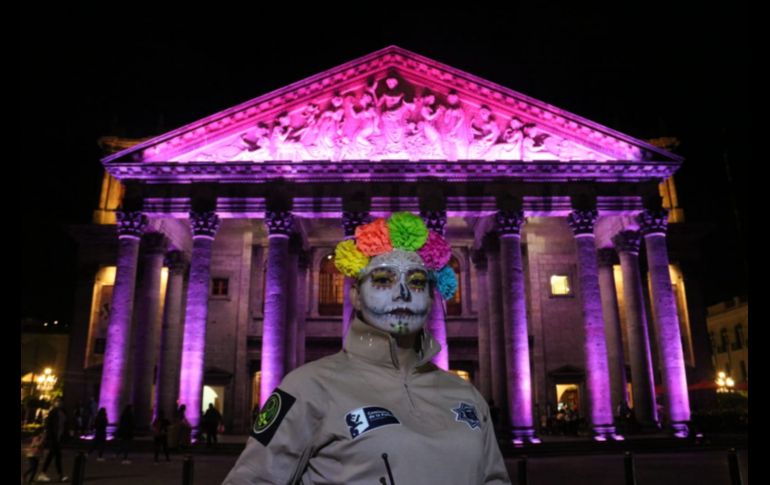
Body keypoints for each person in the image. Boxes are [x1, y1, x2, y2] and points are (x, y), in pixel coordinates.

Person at [225, 212, 510, 484]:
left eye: (418, 281)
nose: (403, 292)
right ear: (356, 297)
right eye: (384, 280)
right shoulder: (306, 388)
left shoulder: (468, 397)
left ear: (433, 299)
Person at [37, 398, 69, 482]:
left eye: (60, 401)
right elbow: (49, 425)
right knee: (56, 456)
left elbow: (64, 425)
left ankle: (45, 474)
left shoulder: (63, 412)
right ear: (54, 403)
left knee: (53, 456)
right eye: (57, 401)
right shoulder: (53, 412)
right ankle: (58, 475)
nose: (59, 403)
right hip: (54, 438)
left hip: (58, 438)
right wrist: (51, 436)